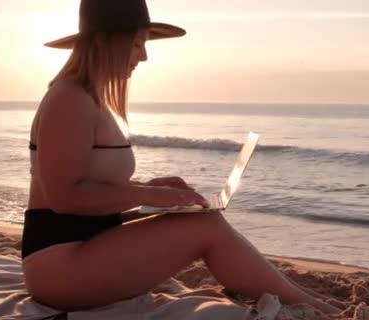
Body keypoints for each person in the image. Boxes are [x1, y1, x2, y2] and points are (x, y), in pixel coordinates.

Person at [22, 0, 341, 316]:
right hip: (57, 267)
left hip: (85, 244)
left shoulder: (90, 98)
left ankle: (306, 300)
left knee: (202, 218)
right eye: (136, 44)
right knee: (207, 228)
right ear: (105, 40)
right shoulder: (69, 98)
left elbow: (89, 183)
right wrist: (152, 195)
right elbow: (65, 197)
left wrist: (152, 188)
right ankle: (313, 309)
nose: (143, 56)